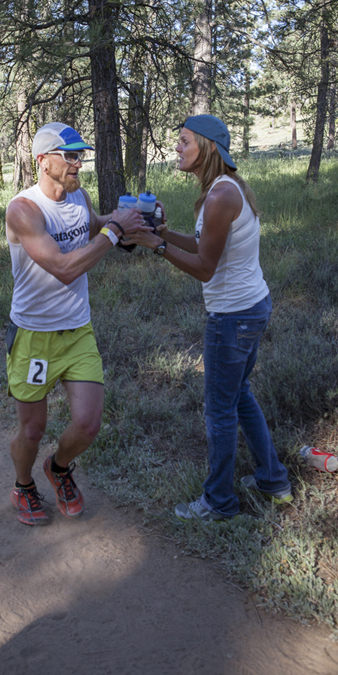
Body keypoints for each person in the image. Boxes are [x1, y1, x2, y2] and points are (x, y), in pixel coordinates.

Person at [128, 115, 292, 521]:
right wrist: (163, 233)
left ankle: (219, 502)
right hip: (253, 306)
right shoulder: (225, 190)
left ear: (208, 148)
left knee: (219, 410)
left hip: (232, 317)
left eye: (184, 142)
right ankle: (273, 479)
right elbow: (205, 246)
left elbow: (204, 267)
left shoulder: (220, 196)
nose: (177, 149)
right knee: (240, 397)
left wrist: (155, 246)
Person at [5, 122, 144, 525]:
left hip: (77, 329)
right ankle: (23, 486)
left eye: (80, 155)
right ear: (42, 161)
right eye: (69, 156)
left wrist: (129, 223)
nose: (77, 163)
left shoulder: (79, 195)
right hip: (33, 334)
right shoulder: (24, 209)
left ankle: (60, 469)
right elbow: (64, 269)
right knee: (32, 431)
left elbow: (93, 224)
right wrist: (114, 235)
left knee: (88, 424)